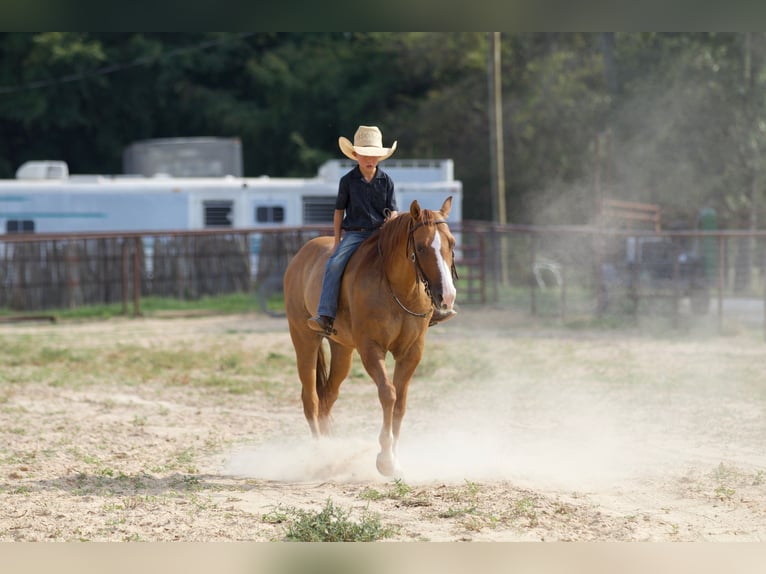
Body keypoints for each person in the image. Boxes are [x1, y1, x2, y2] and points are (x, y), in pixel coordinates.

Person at [308, 125, 398, 334]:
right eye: (366, 155)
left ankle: (427, 308)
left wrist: (389, 225)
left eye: (375, 156)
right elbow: (339, 212)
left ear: (380, 157)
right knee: (334, 264)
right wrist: (337, 241)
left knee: (409, 258)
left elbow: (393, 211)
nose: (370, 160)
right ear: (356, 154)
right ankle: (326, 315)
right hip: (356, 234)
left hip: (380, 232)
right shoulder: (347, 181)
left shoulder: (387, 181)